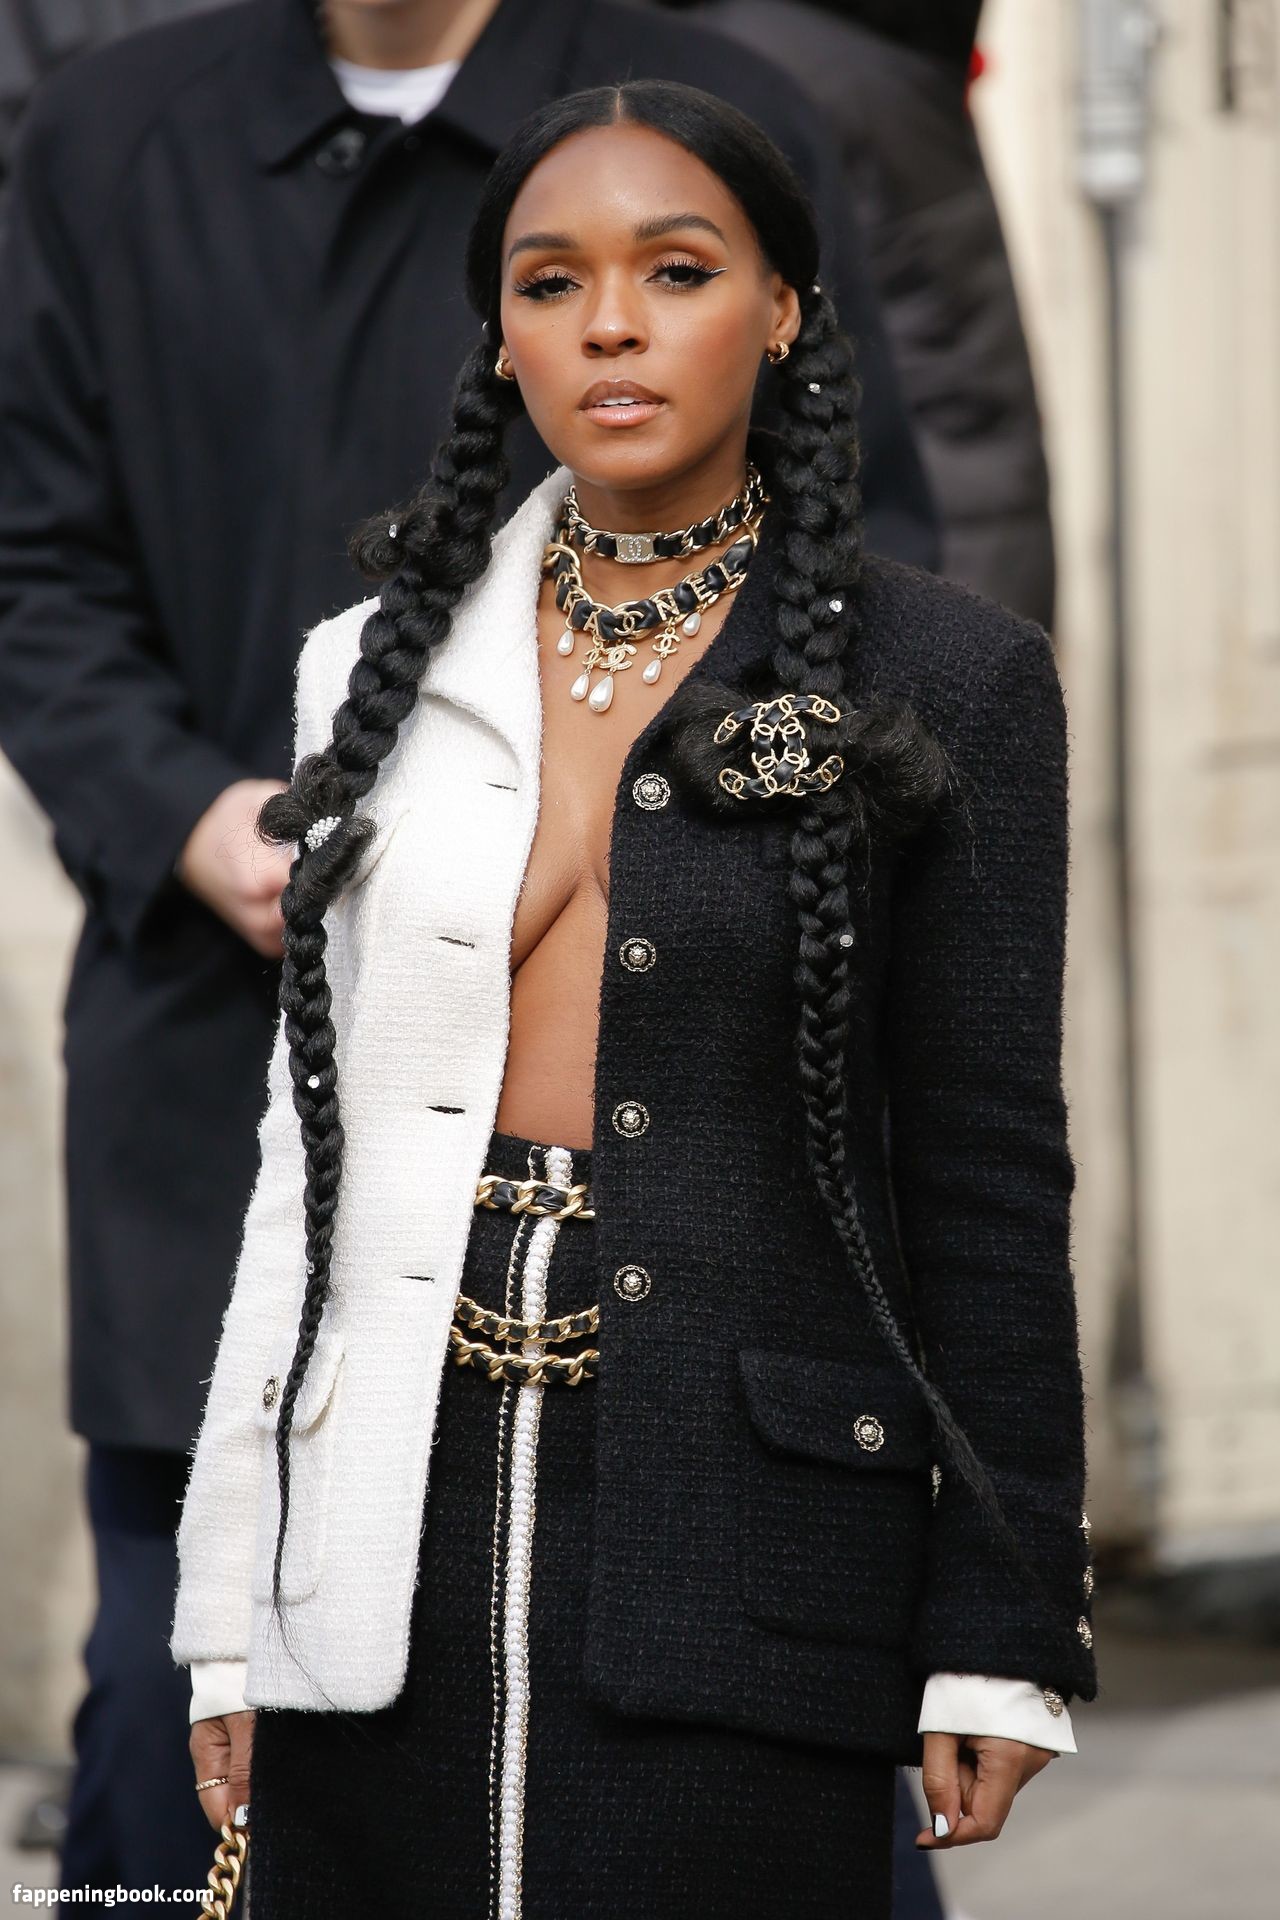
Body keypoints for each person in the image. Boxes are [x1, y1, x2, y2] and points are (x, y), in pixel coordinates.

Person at [0, 0, 937, 1892]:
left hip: (666, 1107)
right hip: (227, 1044)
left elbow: (863, 563)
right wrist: (192, 816)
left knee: (740, 1757)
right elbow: (32, 557)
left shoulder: (709, 109)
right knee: (186, 1748)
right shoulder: (110, 137)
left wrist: (654, 852)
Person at [170, 79, 1097, 1918]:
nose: (609, 324)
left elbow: (991, 1178)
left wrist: (1005, 1625)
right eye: (550, 282)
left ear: (783, 308)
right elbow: (306, 1162)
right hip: (378, 1523)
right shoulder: (369, 671)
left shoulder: (952, 680)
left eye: (676, 270)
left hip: (751, 1534)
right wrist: (229, 1603)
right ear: (501, 337)